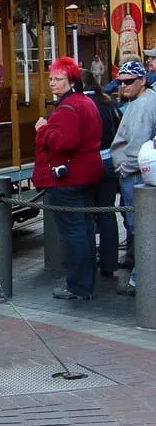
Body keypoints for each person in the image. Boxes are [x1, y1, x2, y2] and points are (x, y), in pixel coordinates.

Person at [35, 57, 103, 300]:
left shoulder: (68, 107)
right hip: (86, 175)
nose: (53, 83)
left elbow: (66, 141)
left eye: (58, 79)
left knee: (75, 233)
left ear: (71, 80)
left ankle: (79, 286)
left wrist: (43, 129)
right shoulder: (86, 102)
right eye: (51, 78)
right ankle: (84, 283)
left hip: (69, 179)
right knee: (83, 231)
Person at [110, 59, 156, 295]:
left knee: (141, 228)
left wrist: (124, 168)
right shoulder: (143, 101)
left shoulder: (142, 106)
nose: (123, 86)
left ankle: (141, 278)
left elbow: (136, 145)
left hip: (136, 174)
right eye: (120, 82)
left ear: (142, 81)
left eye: (128, 82)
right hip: (138, 172)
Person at [80, 70, 120, 277]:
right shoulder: (108, 102)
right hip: (110, 161)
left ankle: (86, 265)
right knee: (107, 213)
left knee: (86, 215)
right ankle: (110, 263)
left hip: (89, 162)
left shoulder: (82, 104)